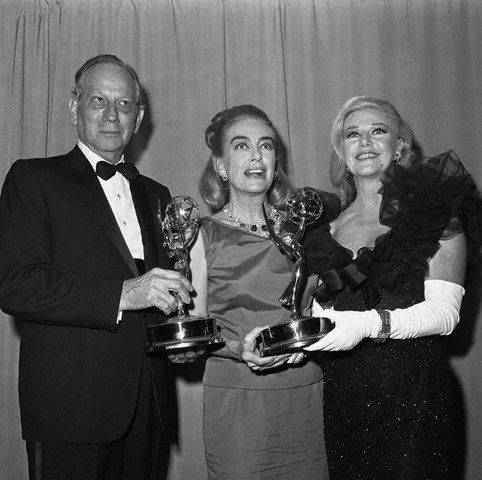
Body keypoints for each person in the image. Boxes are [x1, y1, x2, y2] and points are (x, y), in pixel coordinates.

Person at [0, 54, 193, 480]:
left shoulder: (159, 195)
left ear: (138, 117)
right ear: (74, 108)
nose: (111, 115)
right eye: (98, 101)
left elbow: (166, 295)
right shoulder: (32, 179)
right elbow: (15, 285)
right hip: (71, 410)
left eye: (124, 104)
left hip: (149, 406)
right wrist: (125, 293)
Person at [303, 95, 481, 479]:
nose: (364, 142)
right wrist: (290, 344)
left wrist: (368, 325)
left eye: (377, 131)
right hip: (345, 396)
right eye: (353, 135)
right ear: (342, 151)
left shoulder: (433, 208)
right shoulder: (325, 230)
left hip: (417, 396)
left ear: (399, 145)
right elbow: (320, 316)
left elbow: (445, 314)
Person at [188, 105, 330, 479]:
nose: (255, 155)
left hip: (305, 391)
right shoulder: (202, 235)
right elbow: (195, 329)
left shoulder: (304, 232)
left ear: (275, 161)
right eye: (241, 146)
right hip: (238, 398)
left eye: (265, 146)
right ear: (220, 166)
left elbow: (320, 310)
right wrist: (240, 350)